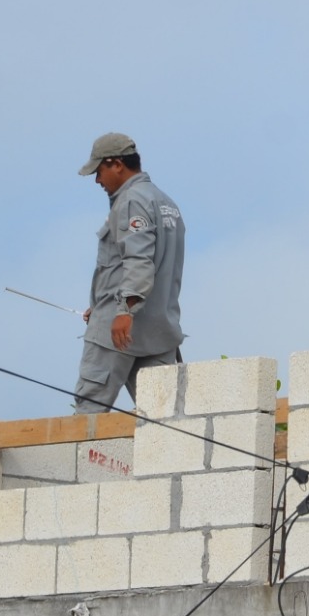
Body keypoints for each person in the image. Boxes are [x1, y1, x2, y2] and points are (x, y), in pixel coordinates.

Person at [72, 132, 186, 413]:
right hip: (159, 332)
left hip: (119, 330)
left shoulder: (132, 201)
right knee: (164, 420)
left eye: (99, 171)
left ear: (116, 164)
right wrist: (100, 306)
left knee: (90, 412)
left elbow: (138, 261)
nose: (98, 181)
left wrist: (122, 311)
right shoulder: (166, 202)